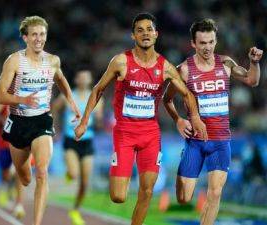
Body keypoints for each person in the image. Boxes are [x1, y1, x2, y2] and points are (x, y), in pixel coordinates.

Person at [74, 13, 207, 225]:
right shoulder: (120, 62)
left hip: (151, 135)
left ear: (156, 34)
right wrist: (84, 121)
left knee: (147, 191)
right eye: (140, 30)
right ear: (133, 35)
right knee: (118, 196)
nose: (145, 33)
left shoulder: (165, 67)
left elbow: (187, 94)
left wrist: (191, 118)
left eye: (149, 30)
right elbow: (98, 89)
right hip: (125, 134)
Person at [162, 19, 263, 225]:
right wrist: (178, 120)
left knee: (215, 193)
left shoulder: (225, 63)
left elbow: (252, 80)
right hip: (195, 142)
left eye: (210, 42)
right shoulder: (184, 70)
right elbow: (167, 99)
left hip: (220, 141)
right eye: (202, 43)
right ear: (193, 44)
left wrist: (254, 63)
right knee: (184, 198)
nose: (207, 47)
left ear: (215, 41)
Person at [0, 15, 80, 225]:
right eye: (34, 34)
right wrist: (22, 98)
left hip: (42, 120)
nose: (38, 38)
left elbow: (61, 81)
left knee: (42, 172)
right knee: (25, 178)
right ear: (25, 37)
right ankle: (22, 177)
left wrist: (73, 103)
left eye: (42, 34)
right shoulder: (14, 60)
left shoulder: (53, 60)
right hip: (18, 122)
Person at [52, 70, 104, 225]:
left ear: (90, 80)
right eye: (80, 76)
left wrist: (100, 120)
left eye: (86, 77)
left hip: (87, 142)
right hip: (71, 139)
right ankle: (69, 173)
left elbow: (99, 119)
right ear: (76, 79)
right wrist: (55, 127)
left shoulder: (96, 98)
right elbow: (54, 108)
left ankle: (75, 210)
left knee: (85, 183)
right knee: (74, 174)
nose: (83, 79)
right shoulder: (67, 96)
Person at [0, 103, 25, 219]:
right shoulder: (3, 101)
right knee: (6, 173)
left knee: (18, 172)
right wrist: (2, 119)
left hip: (19, 142)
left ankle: (19, 203)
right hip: (4, 143)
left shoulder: (25, 99)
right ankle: (6, 189)